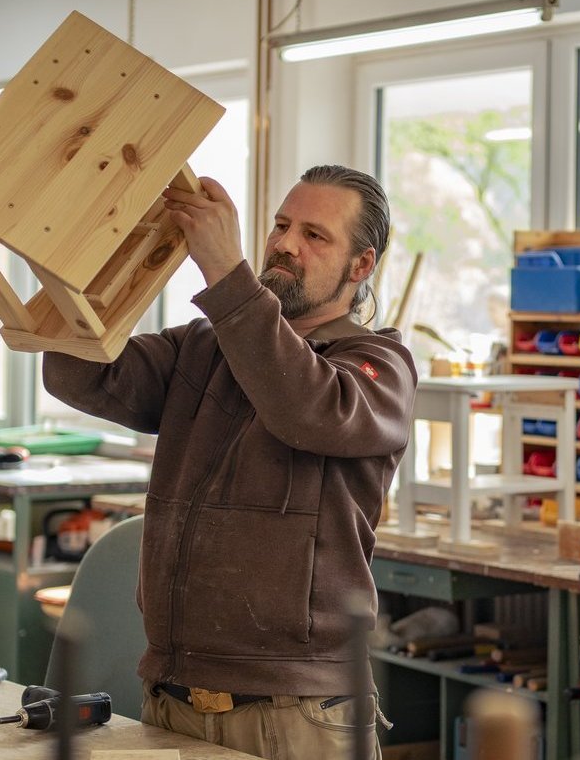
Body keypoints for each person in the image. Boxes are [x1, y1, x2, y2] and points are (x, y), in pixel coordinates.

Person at [41, 164, 415, 759]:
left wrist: (224, 272)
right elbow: (81, 374)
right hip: (172, 696)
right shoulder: (205, 345)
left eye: (315, 236)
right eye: (281, 224)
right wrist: (90, 258)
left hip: (298, 714)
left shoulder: (376, 368)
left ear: (361, 266)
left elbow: (303, 407)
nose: (286, 244)